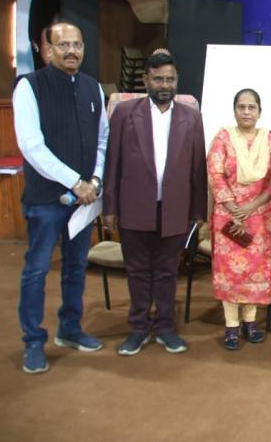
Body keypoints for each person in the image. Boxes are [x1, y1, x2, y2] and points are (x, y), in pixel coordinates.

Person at [13, 22, 108, 374]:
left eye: (77, 44)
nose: (71, 50)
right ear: (47, 49)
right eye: (63, 44)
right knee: (36, 271)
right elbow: (31, 146)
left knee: (76, 267)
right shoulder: (29, 86)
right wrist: (74, 182)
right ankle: (33, 341)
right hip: (45, 201)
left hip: (83, 201)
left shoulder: (92, 87)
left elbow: (102, 140)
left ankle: (70, 328)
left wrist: (95, 179)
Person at [103, 50, 207, 356]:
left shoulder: (191, 117)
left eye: (170, 79)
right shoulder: (125, 113)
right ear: (146, 80)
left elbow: (197, 168)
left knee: (167, 272)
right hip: (134, 207)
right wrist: (109, 208)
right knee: (137, 271)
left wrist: (198, 211)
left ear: (177, 80)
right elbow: (112, 162)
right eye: (158, 79)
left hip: (175, 209)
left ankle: (164, 327)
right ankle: (137, 328)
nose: (165, 85)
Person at [207, 88, 271, 350]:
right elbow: (215, 176)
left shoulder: (269, 141)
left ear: (260, 111)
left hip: (260, 217)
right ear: (234, 111)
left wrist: (250, 207)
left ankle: (250, 323)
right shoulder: (223, 138)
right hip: (228, 217)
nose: (246, 112)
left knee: (255, 270)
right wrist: (234, 208)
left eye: (252, 107)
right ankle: (231, 325)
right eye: (241, 107)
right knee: (230, 272)